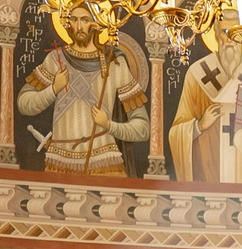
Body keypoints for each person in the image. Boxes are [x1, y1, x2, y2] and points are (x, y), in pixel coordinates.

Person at [20, 23, 148, 177]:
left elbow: (142, 129)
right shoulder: (55, 59)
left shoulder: (114, 63)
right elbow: (24, 104)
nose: (80, 26)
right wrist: (53, 89)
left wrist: (109, 125)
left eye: (86, 20)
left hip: (105, 164)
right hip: (59, 164)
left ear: (97, 24)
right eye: (74, 19)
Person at [169, 22, 242, 185]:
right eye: (225, 32)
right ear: (216, 35)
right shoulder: (196, 74)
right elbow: (176, 133)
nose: (230, 39)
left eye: (236, 32)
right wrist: (199, 126)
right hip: (207, 179)